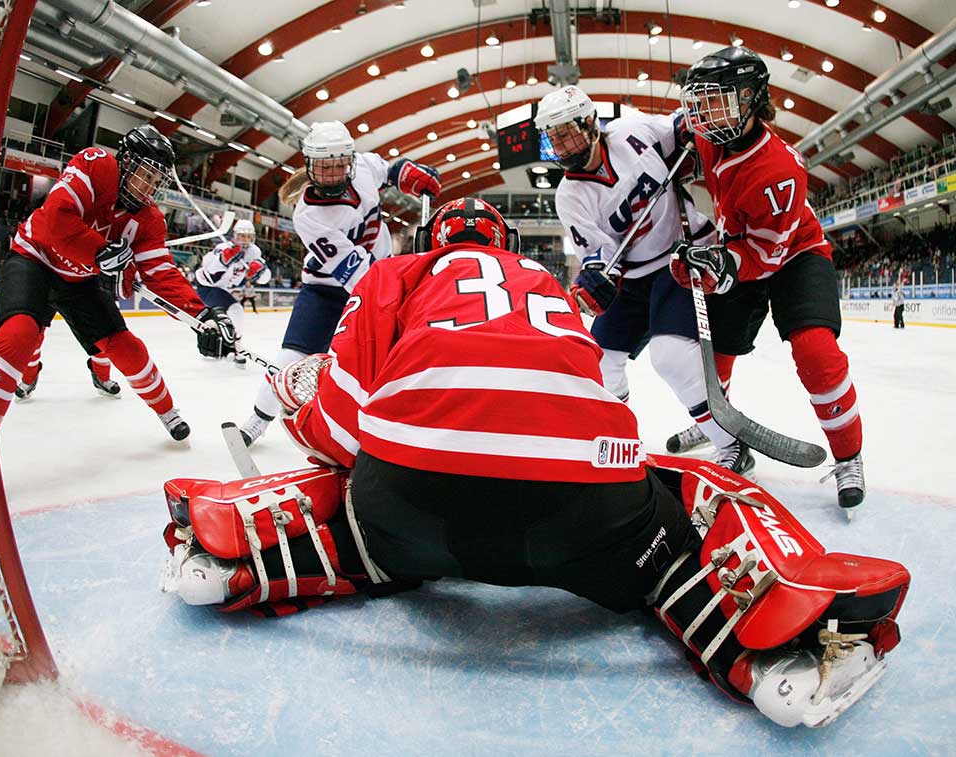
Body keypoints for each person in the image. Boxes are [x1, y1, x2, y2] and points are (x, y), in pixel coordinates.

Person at [160, 199, 910, 729]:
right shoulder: (545, 282)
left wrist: (298, 401)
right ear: (502, 240)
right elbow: (584, 398)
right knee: (687, 505)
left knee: (361, 499)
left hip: (412, 517)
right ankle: (767, 652)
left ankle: (240, 553)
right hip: (582, 512)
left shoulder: (398, 273)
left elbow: (339, 432)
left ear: (436, 236)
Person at [674, 47, 865, 511]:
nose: (705, 112)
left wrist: (718, 268)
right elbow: (675, 136)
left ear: (751, 99)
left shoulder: (777, 170)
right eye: (701, 100)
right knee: (712, 350)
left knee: (815, 350)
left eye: (717, 100)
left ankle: (849, 456)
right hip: (744, 246)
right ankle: (716, 426)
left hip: (794, 254)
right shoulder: (712, 136)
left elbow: (766, 255)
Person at [534, 86, 751, 475]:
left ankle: (730, 443)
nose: (561, 146)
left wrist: (691, 130)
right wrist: (595, 279)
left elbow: (681, 131)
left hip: (678, 259)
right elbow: (599, 256)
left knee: (670, 357)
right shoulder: (569, 194)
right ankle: (618, 434)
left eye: (566, 132)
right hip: (633, 278)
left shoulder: (633, 131)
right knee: (599, 362)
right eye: (553, 138)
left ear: (590, 123)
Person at [0, 125, 236, 440]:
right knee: (19, 334)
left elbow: (160, 272)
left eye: (156, 180)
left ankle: (167, 411)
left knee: (126, 347)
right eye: (146, 174)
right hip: (34, 259)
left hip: (81, 281)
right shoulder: (95, 164)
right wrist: (100, 251)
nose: (149, 186)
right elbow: (56, 219)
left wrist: (201, 316)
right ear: (127, 161)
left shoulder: (149, 220)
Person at [237, 120, 441, 446]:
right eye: (323, 166)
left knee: (391, 360)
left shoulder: (362, 168)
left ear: (349, 161)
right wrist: (401, 289)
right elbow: (355, 272)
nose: (332, 173)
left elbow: (388, 170)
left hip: (378, 276)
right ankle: (259, 418)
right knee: (290, 361)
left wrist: (407, 172)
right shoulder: (309, 215)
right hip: (326, 290)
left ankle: (392, 424)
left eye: (338, 165)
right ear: (309, 164)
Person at [195, 219, 271, 365]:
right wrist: (224, 260)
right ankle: (238, 348)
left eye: (248, 236)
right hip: (207, 287)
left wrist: (260, 271)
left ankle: (216, 348)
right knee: (236, 310)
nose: (245, 240)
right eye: (242, 236)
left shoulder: (254, 251)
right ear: (235, 236)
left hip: (224, 289)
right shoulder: (223, 247)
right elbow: (210, 274)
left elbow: (265, 278)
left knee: (220, 322)